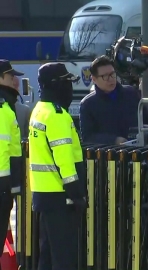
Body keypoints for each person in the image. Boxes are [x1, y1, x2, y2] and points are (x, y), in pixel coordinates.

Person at [29, 63, 87, 270]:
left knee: (47, 254)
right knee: (64, 257)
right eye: (66, 83)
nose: (69, 88)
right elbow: (64, 160)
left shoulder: (39, 110)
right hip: (61, 195)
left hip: (43, 194)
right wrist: (76, 194)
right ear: (56, 85)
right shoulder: (57, 115)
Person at [80, 55, 148, 144]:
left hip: (137, 150)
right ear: (94, 79)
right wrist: (114, 140)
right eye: (105, 76)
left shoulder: (131, 93)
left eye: (112, 74)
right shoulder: (88, 104)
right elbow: (88, 137)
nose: (111, 79)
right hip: (109, 154)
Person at [0, 60, 23, 263]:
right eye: (10, 76)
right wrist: (8, 185)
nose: (15, 80)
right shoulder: (2, 109)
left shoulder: (6, 106)